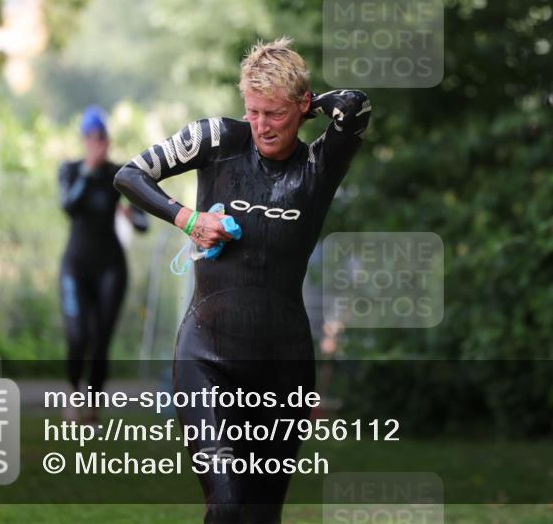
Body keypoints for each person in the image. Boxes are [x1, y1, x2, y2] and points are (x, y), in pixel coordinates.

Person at [114, 36, 371, 523]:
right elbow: (129, 176)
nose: (261, 126)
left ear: (301, 107)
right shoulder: (218, 141)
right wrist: (188, 219)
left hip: (283, 367)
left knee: (260, 515)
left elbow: (356, 105)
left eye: (274, 114)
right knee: (228, 503)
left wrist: (312, 104)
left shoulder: (321, 163)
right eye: (252, 111)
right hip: (207, 358)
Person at [58, 106, 149, 423]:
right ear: (84, 140)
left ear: (107, 139)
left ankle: (92, 405)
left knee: (101, 338)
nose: (97, 142)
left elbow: (143, 223)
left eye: (102, 137)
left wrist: (129, 213)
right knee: (77, 334)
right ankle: (72, 394)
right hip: (76, 264)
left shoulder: (117, 174)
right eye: (91, 137)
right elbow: (68, 206)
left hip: (110, 267)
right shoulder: (70, 170)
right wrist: (88, 170)